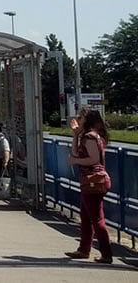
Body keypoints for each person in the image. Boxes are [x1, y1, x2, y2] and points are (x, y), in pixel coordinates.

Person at [65, 108, 112, 264]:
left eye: (81, 117)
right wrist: (75, 135)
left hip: (94, 180)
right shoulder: (86, 136)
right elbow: (75, 154)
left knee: (97, 219)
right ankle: (83, 249)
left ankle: (106, 253)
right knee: (86, 216)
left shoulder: (90, 137)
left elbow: (94, 159)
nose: (78, 119)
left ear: (88, 119)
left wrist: (76, 161)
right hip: (91, 180)